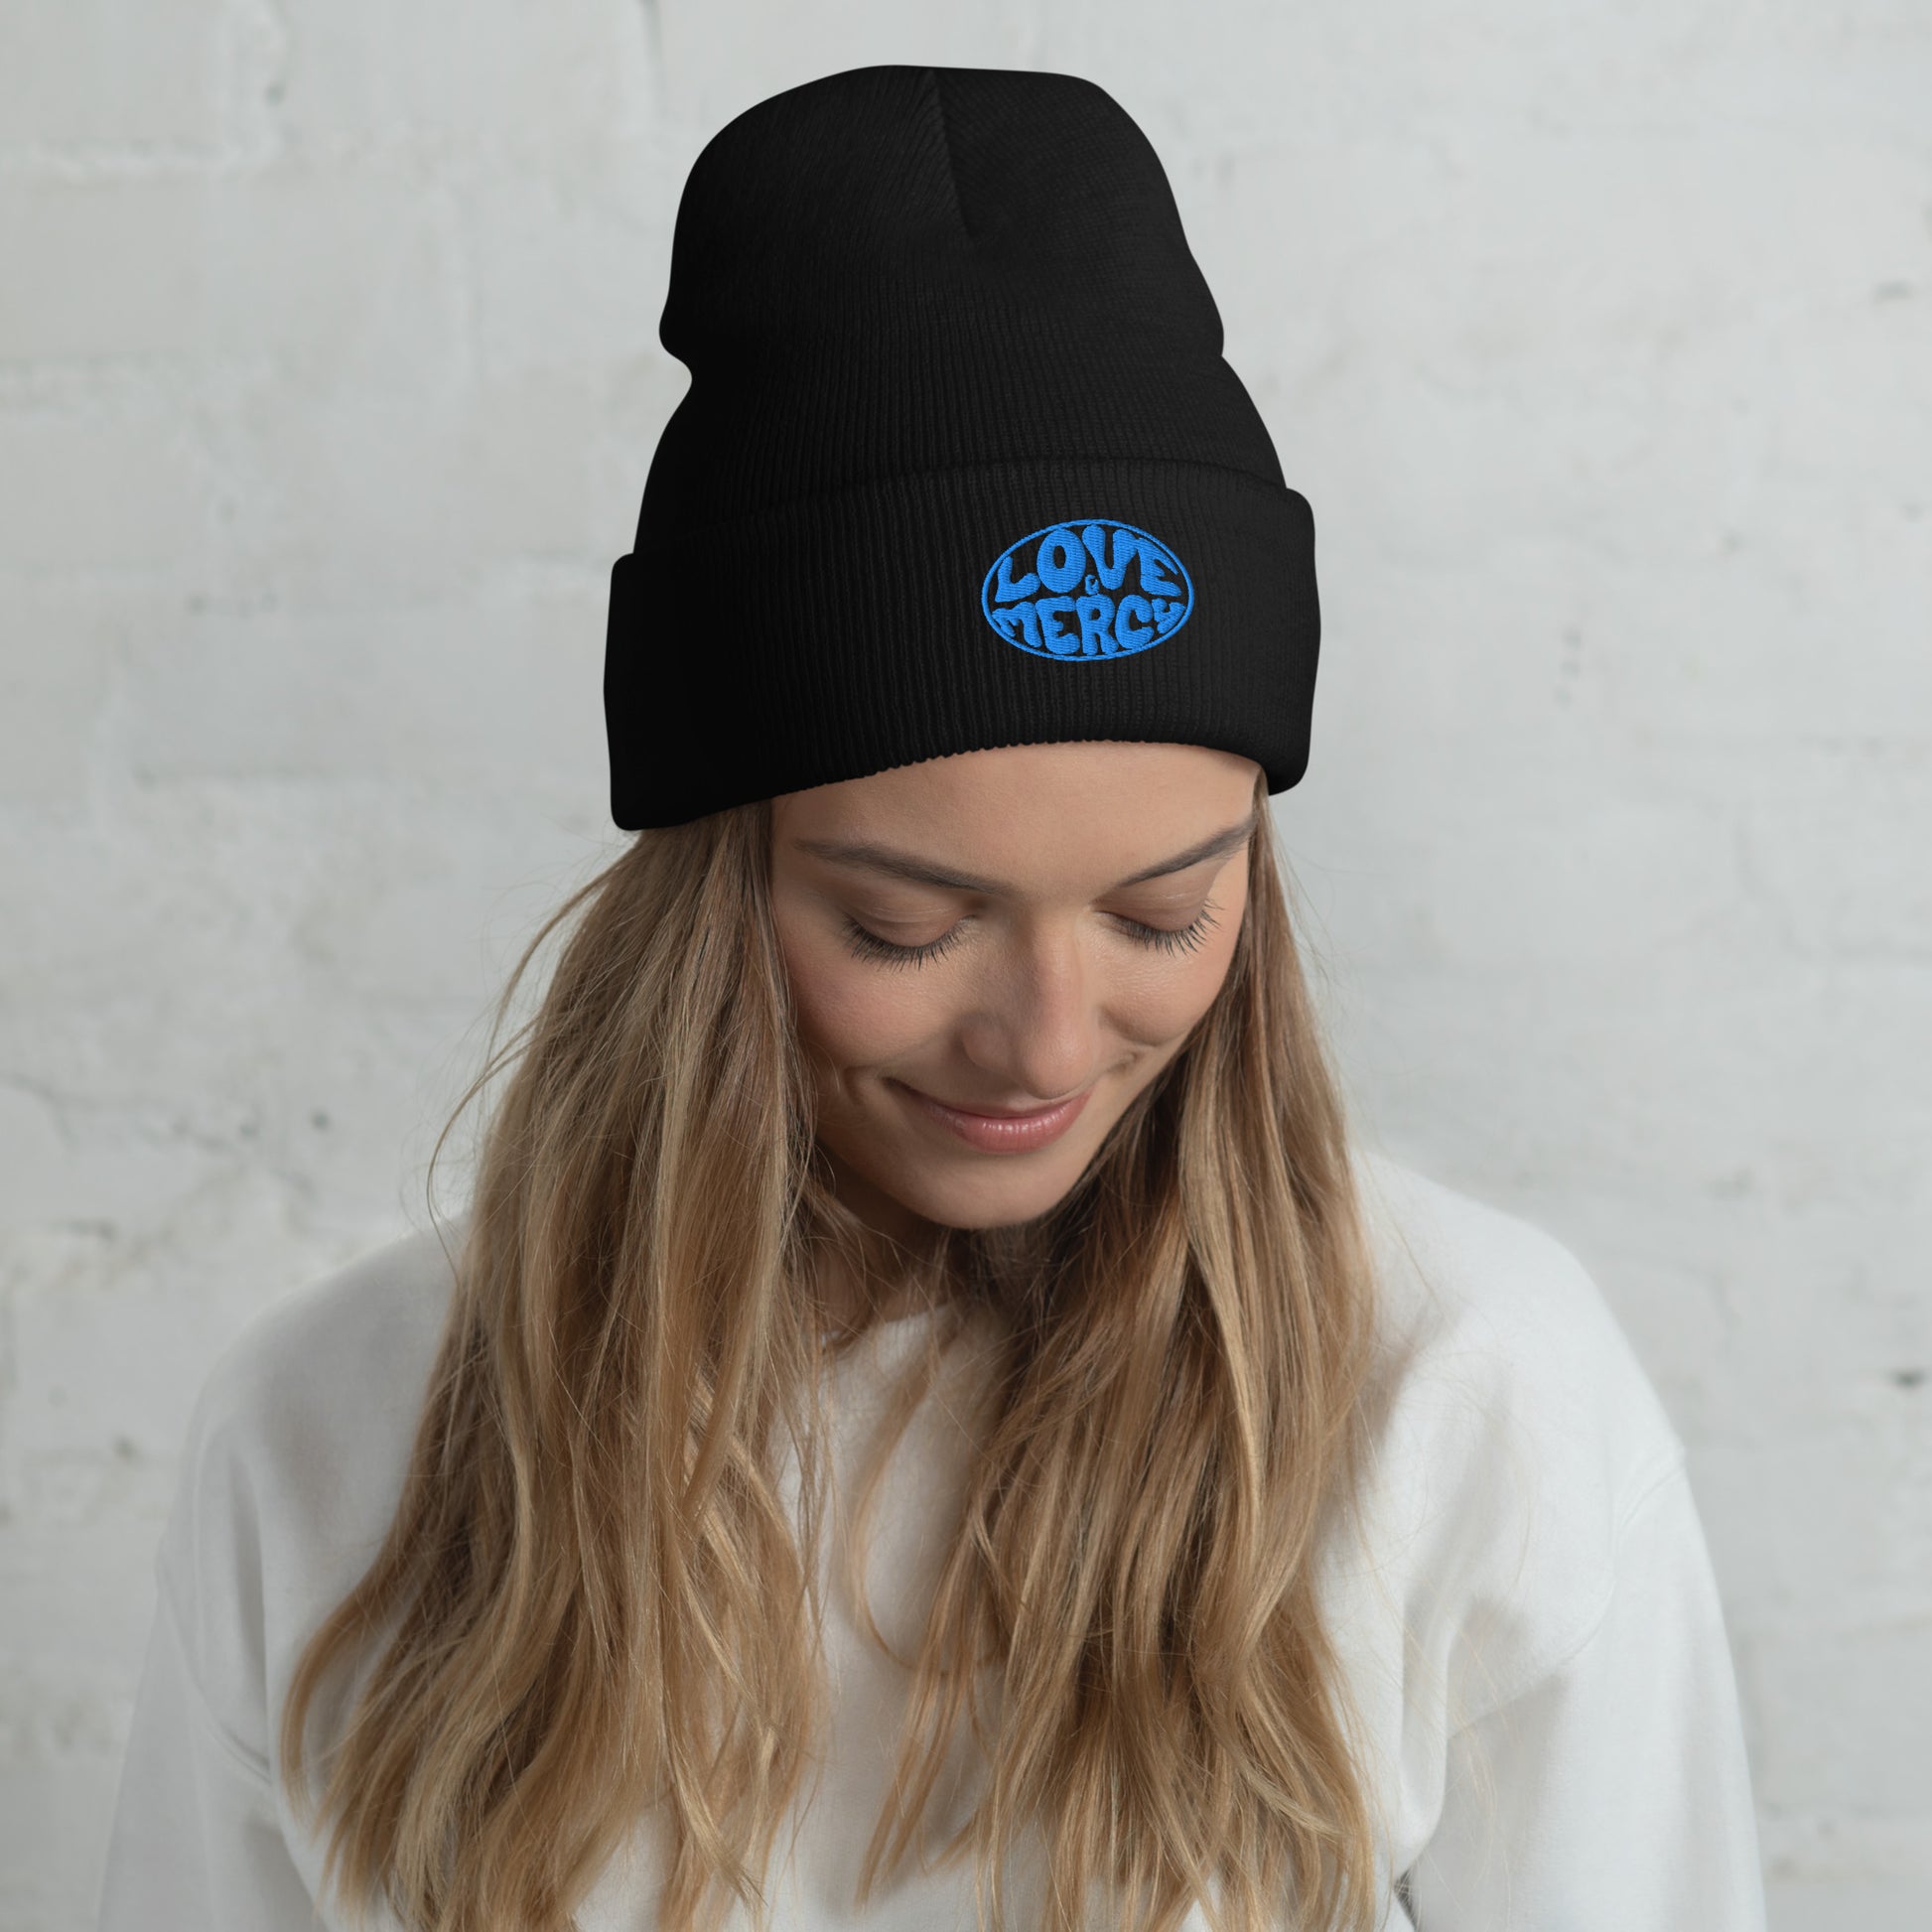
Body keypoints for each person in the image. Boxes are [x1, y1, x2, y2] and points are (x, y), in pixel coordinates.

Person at [96, 64, 1768, 1932]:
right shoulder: (329, 1439)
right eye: (903, 926)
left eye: (1162, 913)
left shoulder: (1467, 1397)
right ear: (713, 892)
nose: (1046, 1041)